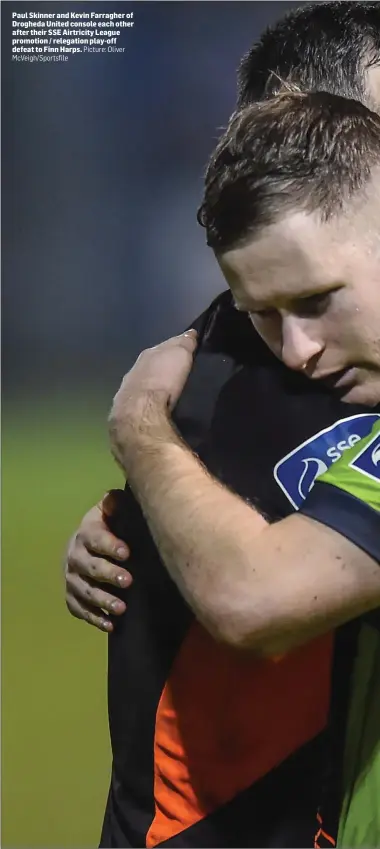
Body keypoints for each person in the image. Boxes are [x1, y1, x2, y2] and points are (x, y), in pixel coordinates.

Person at [64, 4, 380, 848]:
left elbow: (254, 592)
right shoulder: (237, 354)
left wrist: (141, 437)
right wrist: (134, 503)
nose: (300, 346)